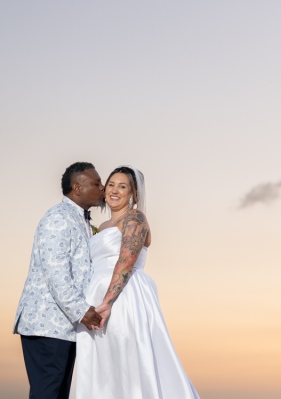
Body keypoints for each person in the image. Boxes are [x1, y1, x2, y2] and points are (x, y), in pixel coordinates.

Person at [76, 166, 200, 399]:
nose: (114, 190)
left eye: (122, 187)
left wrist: (107, 302)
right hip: (96, 297)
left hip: (122, 297)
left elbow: (126, 261)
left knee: (128, 358)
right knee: (104, 366)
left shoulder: (134, 218)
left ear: (133, 193)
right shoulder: (101, 228)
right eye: (111, 184)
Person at [14, 162, 105, 399]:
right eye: (96, 183)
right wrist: (81, 311)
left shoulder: (81, 221)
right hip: (47, 325)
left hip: (63, 327)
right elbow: (56, 273)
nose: (102, 188)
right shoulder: (58, 218)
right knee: (47, 393)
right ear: (77, 188)